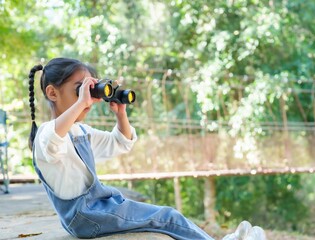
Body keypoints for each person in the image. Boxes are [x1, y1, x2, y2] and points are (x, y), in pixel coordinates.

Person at [28, 57, 266, 240]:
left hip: (100, 207)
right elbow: (52, 141)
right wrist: (82, 102)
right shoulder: (46, 134)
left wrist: (121, 114)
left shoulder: (80, 131)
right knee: (166, 216)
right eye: (79, 89)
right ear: (52, 93)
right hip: (84, 215)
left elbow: (120, 142)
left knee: (165, 216)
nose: (87, 98)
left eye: (89, 90)